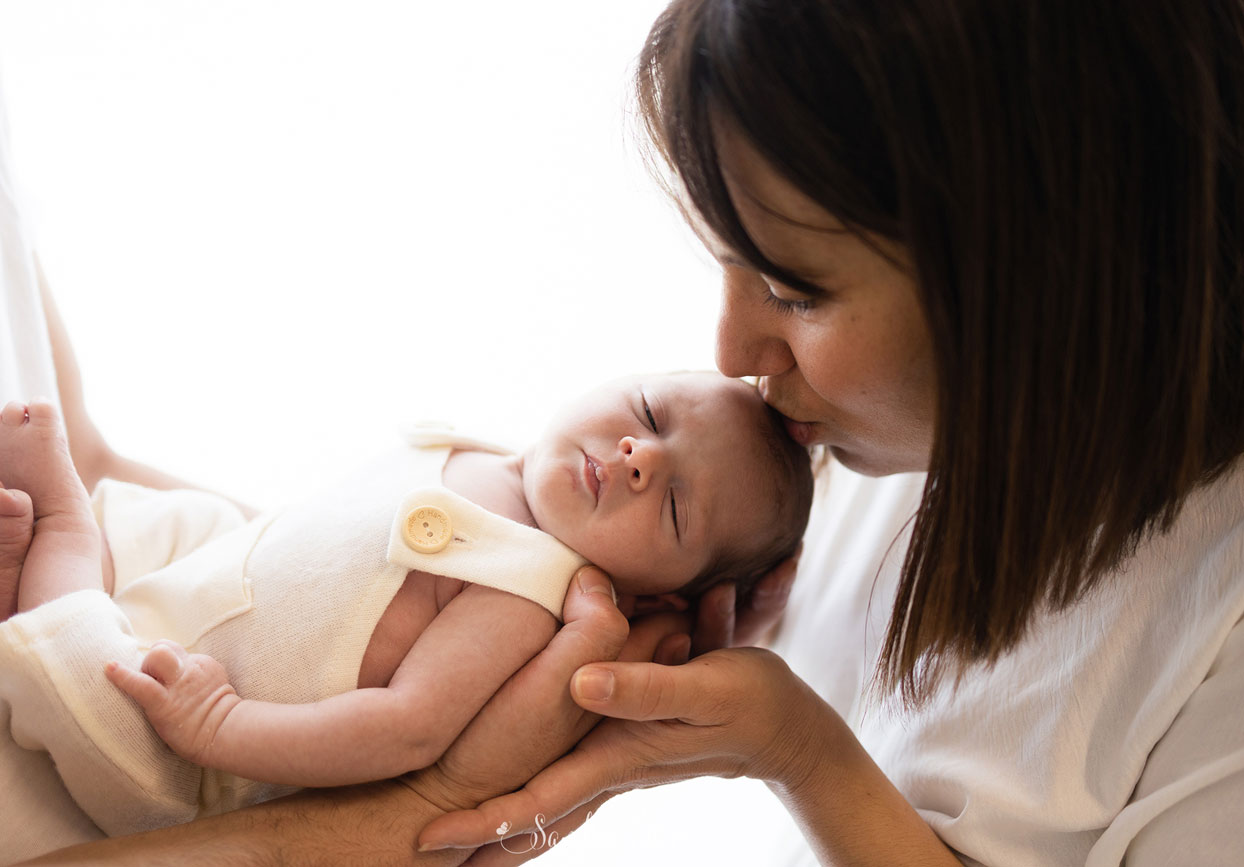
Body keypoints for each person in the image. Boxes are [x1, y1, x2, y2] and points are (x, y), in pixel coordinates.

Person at [408, 1, 1244, 864]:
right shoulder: (876, 441)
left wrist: (798, 750)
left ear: (1042, 283)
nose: (731, 354)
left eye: (797, 292)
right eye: (728, 259)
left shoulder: (1219, 639)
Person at [0, 372, 810, 836]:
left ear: (661, 591)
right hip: (201, 591)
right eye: (650, 411)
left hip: (180, 747)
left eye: (670, 504)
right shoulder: (484, 453)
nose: (637, 456)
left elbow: (408, 724)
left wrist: (219, 727)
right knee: (175, 523)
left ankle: (52, 537)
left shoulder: (531, 589)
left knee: (94, 674)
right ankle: (58, 571)